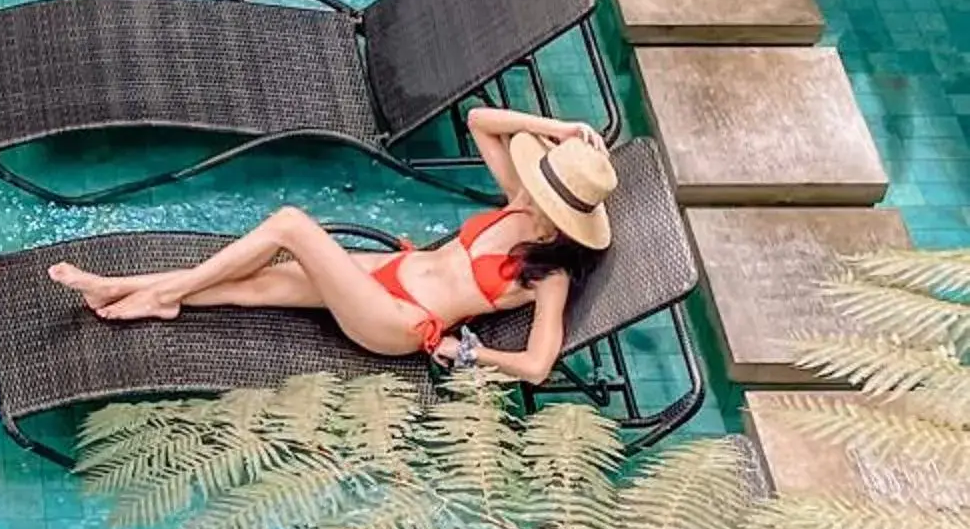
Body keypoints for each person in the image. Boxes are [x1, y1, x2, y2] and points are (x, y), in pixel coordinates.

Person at [45, 105, 617, 386]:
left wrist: (466, 354)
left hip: (400, 320)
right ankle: (135, 291)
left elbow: (539, 366)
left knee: (290, 226)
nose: (527, 190)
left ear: (557, 215)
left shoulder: (550, 276)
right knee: (255, 287)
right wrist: (559, 131)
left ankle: (160, 293)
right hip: (389, 271)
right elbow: (478, 120)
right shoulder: (520, 197)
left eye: (541, 188)